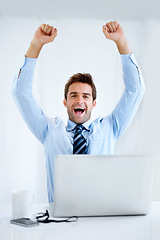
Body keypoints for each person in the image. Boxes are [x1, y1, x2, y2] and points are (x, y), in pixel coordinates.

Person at [12, 21, 145, 203]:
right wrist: (36, 45)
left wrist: (121, 42)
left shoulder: (110, 128)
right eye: (73, 95)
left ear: (94, 103)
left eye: (86, 96)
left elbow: (135, 90)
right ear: (65, 102)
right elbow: (21, 93)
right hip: (60, 222)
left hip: (100, 218)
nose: (80, 100)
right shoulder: (49, 130)